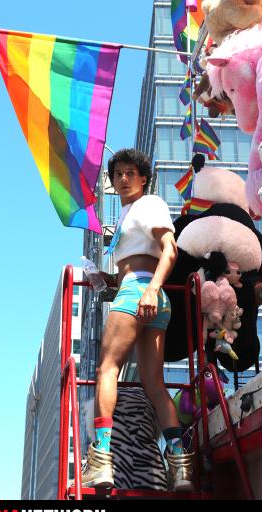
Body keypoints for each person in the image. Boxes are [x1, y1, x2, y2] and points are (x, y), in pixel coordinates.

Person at [81, 148, 195, 491]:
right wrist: (105, 278)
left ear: (144, 178)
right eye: (118, 174)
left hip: (142, 293)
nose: (123, 178)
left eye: (130, 172)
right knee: (154, 384)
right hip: (140, 292)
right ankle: (180, 468)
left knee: (107, 369)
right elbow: (134, 266)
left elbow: (170, 249)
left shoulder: (149, 204)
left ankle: (101, 458)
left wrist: (151, 290)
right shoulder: (128, 216)